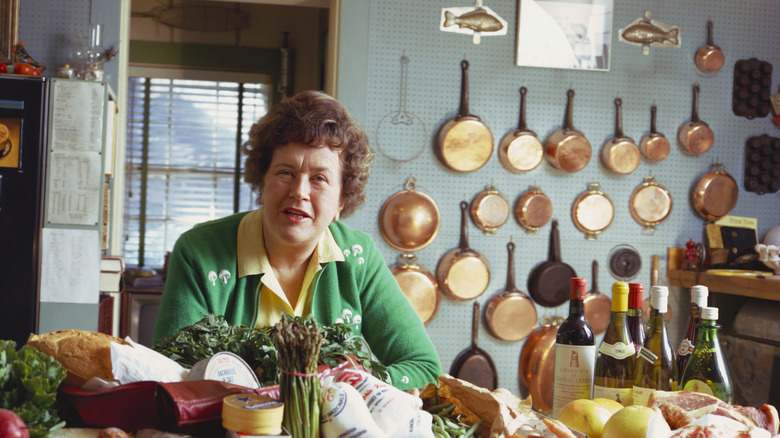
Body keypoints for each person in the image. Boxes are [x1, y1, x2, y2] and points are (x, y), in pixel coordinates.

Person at [153, 90, 441, 389]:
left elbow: (423, 367)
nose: (299, 191)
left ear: (342, 199)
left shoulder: (359, 257)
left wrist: (355, 385)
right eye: (285, 172)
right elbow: (171, 370)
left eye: (319, 178)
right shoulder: (199, 251)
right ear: (262, 183)